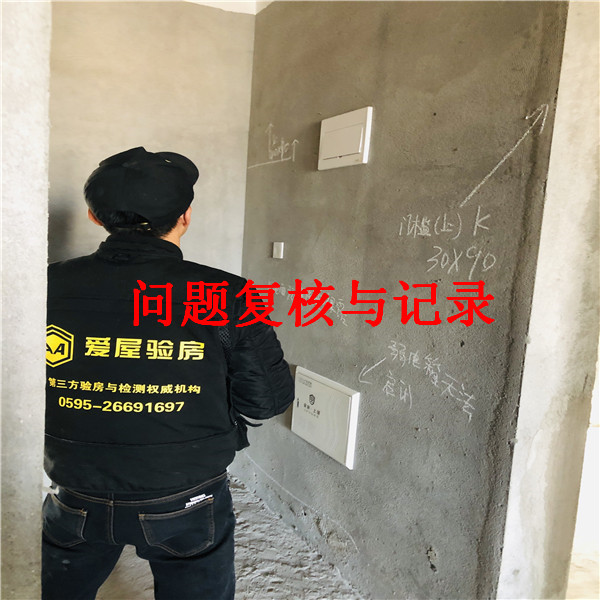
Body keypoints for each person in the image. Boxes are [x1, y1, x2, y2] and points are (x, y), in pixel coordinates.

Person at [43, 146, 295, 600]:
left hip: (74, 485)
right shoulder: (226, 294)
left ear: (95, 217)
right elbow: (267, 402)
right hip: (186, 493)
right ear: (185, 217)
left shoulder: (46, 284)